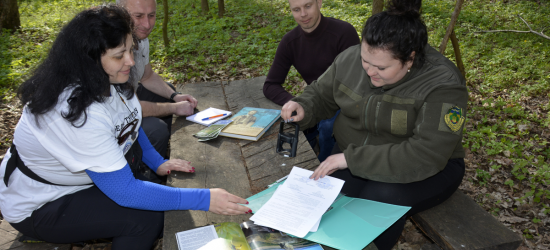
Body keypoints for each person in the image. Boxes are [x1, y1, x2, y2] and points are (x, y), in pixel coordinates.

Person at [0, 5, 250, 250]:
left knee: (153, 196)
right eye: (119, 55)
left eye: (131, 49)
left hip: (82, 183)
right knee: (144, 218)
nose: (131, 61)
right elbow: (127, 193)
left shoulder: (107, 77)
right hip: (41, 203)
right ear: (88, 58)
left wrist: (156, 161)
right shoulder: (75, 112)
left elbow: (129, 121)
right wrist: (204, 199)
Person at [280, 0, 468, 249]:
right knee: (323, 199)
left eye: (381, 67)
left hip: (428, 168)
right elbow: (321, 94)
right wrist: (305, 106)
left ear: (410, 59)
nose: (370, 72)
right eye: (365, 61)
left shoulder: (443, 83)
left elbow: (427, 154)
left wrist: (350, 159)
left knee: (379, 200)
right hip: (354, 156)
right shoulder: (350, 59)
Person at [262, 0, 359, 161]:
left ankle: (325, 169)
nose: (303, 14)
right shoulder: (290, 42)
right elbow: (270, 84)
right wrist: (297, 103)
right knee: (287, 123)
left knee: (328, 126)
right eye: (296, 9)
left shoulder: (343, 32)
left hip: (346, 102)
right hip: (315, 101)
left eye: (308, 6)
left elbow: (358, 82)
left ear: (319, 3)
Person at [116, 0, 197, 160]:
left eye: (151, 15)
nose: (147, 24)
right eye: (138, 16)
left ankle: (164, 150)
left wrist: (175, 97)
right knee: (156, 129)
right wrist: (174, 108)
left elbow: (147, 76)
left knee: (167, 90)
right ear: (120, 13)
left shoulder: (140, 39)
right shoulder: (113, 47)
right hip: (113, 116)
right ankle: (149, 172)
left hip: (128, 102)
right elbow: (131, 108)